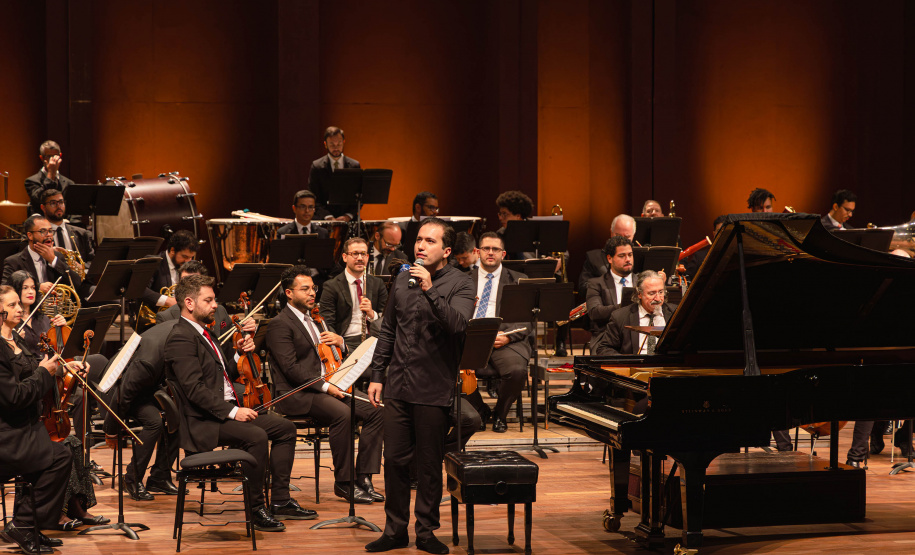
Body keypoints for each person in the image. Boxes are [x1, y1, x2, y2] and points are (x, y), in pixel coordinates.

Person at [165, 275, 314, 530]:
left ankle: (280, 500)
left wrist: (239, 353)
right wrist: (234, 411)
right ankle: (255, 508)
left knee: (285, 429)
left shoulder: (204, 332)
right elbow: (194, 390)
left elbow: (225, 375)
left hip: (218, 413)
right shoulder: (181, 337)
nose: (215, 306)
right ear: (189, 303)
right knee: (255, 436)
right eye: (209, 300)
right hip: (202, 421)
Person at [365, 218, 475, 554]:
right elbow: (388, 331)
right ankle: (395, 530)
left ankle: (425, 532)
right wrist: (377, 375)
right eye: (418, 240)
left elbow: (458, 325)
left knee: (428, 465)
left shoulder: (462, 283)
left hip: (433, 385)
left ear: (446, 250)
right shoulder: (400, 279)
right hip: (398, 384)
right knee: (395, 461)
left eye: (429, 241)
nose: (420, 246)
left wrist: (429, 289)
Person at [267, 265, 385, 504]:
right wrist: (325, 387)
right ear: (289, 293)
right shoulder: (280, 324)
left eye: (313, 288)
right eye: (305, 289)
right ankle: (344, 482)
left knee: (376, 410)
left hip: (331, 384)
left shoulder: (317, 320)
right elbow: (291, 369)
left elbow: (335, 357)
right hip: (298, 394)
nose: (312, 293)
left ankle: (364, 477)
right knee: (343, 414)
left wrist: (341, 343)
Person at [0, 285, 81, 552]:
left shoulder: (17, 340)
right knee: (58, 457)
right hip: (7, 435)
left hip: (24, 427)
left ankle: (30, 525)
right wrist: (45, 372)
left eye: (17, 304)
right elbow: (14, 397)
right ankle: (24, 524)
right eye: (11, 305)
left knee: (64, 448)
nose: (19, 309)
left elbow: (36, 368)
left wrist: (64, 368)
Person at [470, 232, 532, 434]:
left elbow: (528, 319)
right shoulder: (462, 279)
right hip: (471, 338)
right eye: (486, 248)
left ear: (503, 254)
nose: (490, 253)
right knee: (447, 366)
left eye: (495, 249)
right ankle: (480, 410)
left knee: (516, 371)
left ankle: (500, 414)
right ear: (477, 252)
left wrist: (508, 336)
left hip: (505, 339)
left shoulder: (519, 280)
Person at [318, 238, 388, 354]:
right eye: (355, 254)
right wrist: (339, 342)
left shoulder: (377, 284)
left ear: (367, 257)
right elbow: (327, 322)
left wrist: (371, 314)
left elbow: (387, 318)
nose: (360, 258)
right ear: (345, 257)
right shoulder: (331, 286)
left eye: (363, 254)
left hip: (374, 338)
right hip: (346, 340)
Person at [593, 271, 675, 356]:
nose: (658, 298)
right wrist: (626, 363)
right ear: (639, 294)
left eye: (661, 292)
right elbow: (604, 349)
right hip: (635, 366)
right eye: (652, 293)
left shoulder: (675, 313)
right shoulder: (620, 316)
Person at [2, 215, 84, 294]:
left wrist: (53, 260)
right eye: (43, 231)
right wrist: (37, 287)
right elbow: (5, 291)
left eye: (50, 231)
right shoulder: (14, 262)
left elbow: (76, 284)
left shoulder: (57, 256)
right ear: (30, 235)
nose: (49, 235)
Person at [585, 236, 634, 352]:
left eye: (630, 255)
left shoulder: (643, 281)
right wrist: (624, 307)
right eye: (622, 256)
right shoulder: (596, 283)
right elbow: (595, 312)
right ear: (610, 258)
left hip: (636, 335)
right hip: (607, 337)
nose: (628, 259)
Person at [137, 229, 197, 320]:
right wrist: (168, 301)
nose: (188, 261)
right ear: (172, 250)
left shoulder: (189, 265)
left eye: (191, 257)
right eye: (185, 256)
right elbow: (139, 289)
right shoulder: (153, 262)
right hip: (156, 318)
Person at [307, 126, 360, 222]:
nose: (336, 148)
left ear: (344, 142)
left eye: (339, 144)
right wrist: (328, 216)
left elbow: (359, 196)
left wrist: (348, 216)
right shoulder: (317, 166)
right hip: (324, 220)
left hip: (350, 220)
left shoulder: (354, 165)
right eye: (332, 144)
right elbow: (313, 197)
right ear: (325, 144)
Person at [577, 214, 637, 292]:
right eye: (618, 235)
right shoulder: (593, 258)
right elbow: (583, 287)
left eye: (627, 237)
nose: (621, 241)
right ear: (611, 232)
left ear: (633, 235)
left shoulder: (641, 256)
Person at [38, 189, 94, 264]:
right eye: (53, 203)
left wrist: (83, 268)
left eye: (61, 202)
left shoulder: (82, 233)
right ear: (43, 208)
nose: (59, 206)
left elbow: (93, 262)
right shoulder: (38, 234)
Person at [24, 140, 75, 218]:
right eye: (49, 156)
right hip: (42, 225)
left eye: (55, 156)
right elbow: (39, 200)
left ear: (60, 156)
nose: (52, 160)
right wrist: (51, 173)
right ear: (41, 158)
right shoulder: (31, 181)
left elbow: (74, 212)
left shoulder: (69, 183)